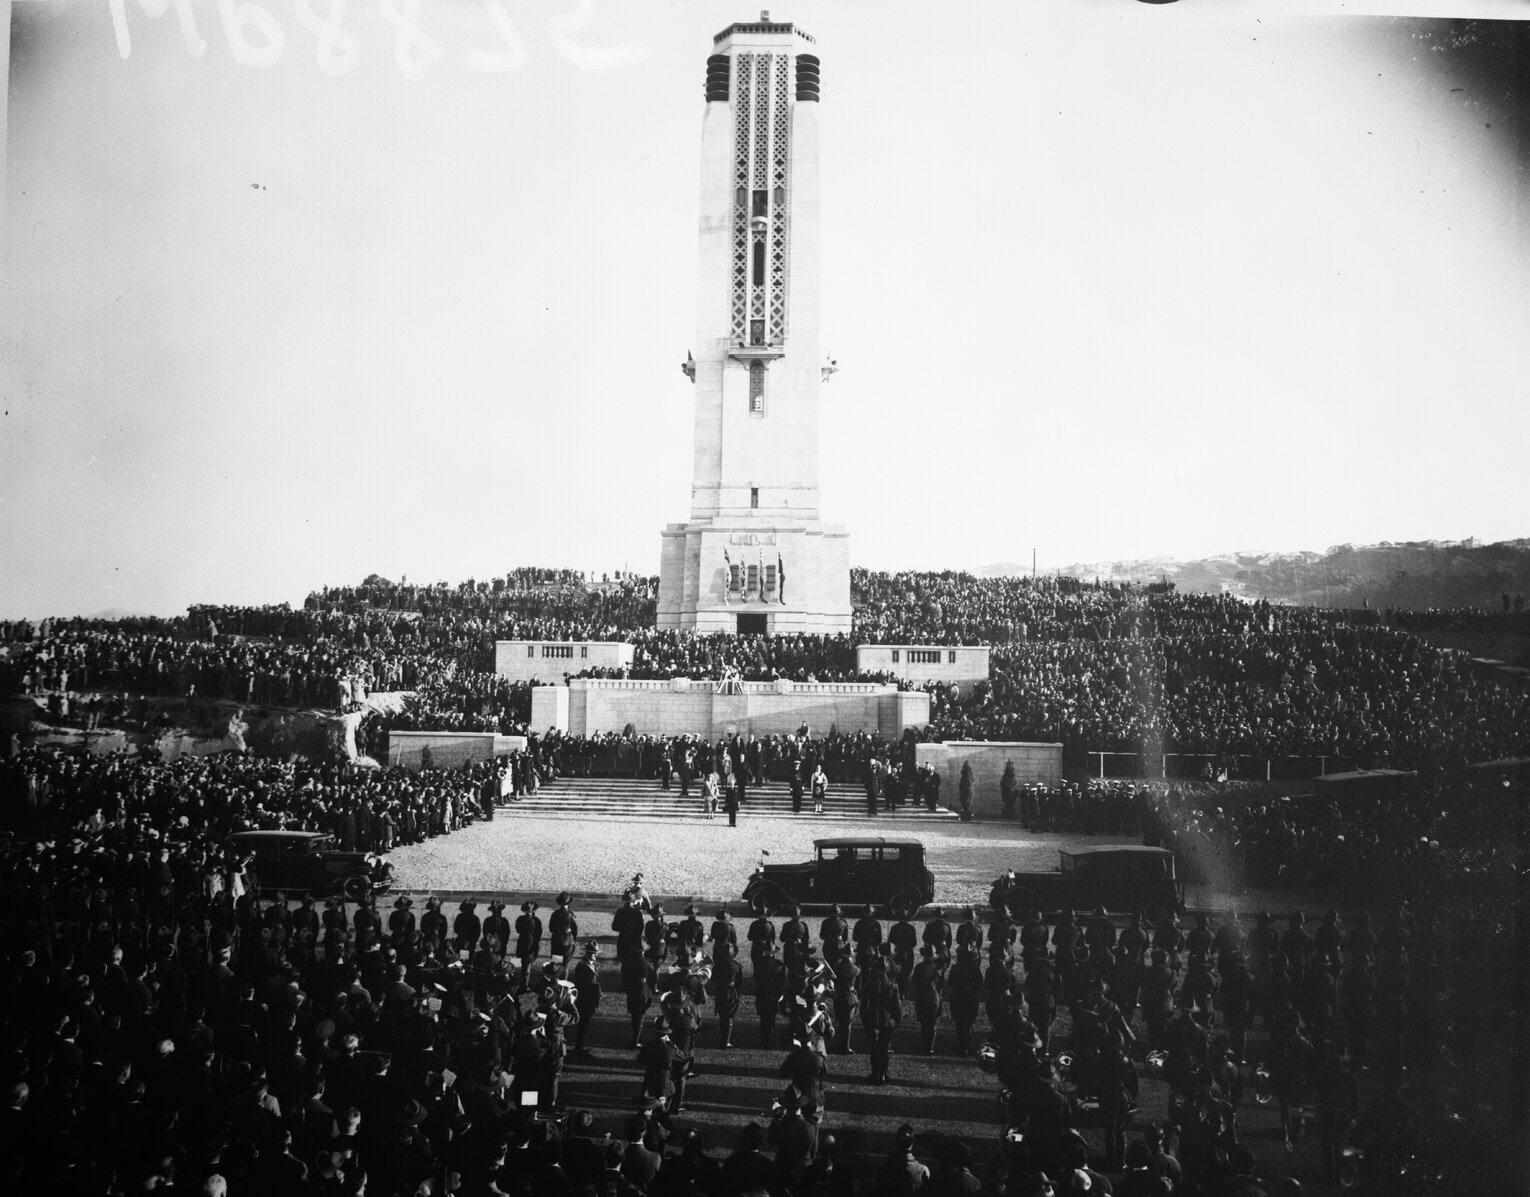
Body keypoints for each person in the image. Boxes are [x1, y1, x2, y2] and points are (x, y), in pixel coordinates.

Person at [571, 941, 602, 1058]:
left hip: (591, 998)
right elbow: (580, 985)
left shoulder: (592, 963)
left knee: (585, 1024)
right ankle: (579, 1048)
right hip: (585, 1000)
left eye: (595, 953)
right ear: (587, 953)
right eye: (593, 953)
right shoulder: (582, 966)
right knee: (583, 1024)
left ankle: (580, 1046)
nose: (595, 955)